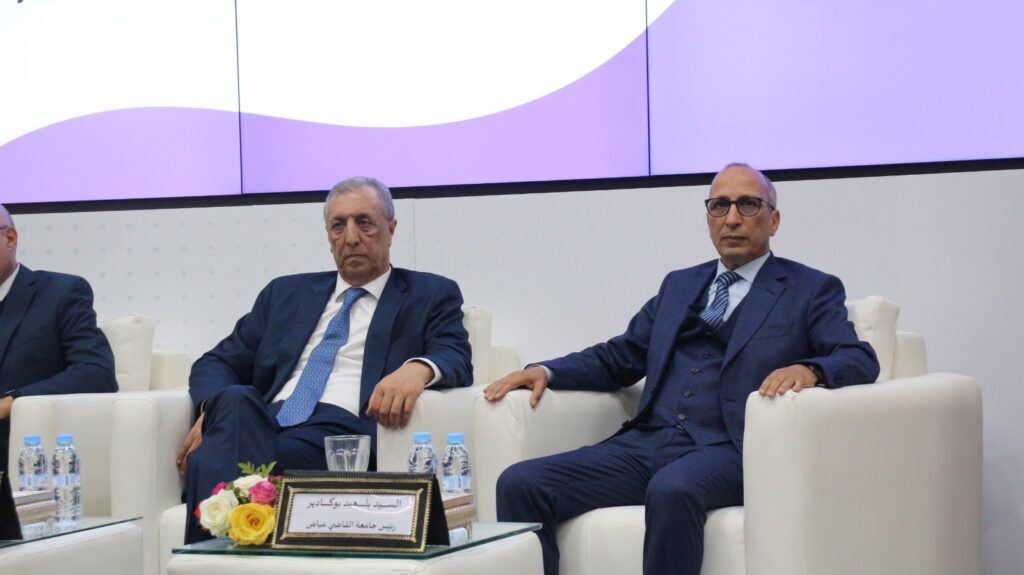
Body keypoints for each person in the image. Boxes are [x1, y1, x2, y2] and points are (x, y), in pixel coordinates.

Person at [484, 163, 880, 575]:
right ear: (708, 218)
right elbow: (621, 355)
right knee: (521, 483)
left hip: (731, 449)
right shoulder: (679, 284)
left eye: (748, 205)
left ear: (774, 219)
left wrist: (811, 370)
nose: (732, 218)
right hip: (646, 444)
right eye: (719, 206)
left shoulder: (809, 289)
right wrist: (547, 371)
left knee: (672, 488)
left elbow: (858, 358)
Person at [177, 176, 473, 543]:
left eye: (364, 222)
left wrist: (419, 368)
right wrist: (213, 412)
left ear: (391, 228)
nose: (351, 237)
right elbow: (216, 362)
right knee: (235, 399)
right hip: (266, 421)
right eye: (338, 226)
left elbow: (454, 354)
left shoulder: (429, 293)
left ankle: (206, 558)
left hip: (338, 434)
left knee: (209, 460)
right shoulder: (285, 293)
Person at [0, 204, 117, 472]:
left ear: (10, 238)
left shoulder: (60, 293)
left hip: (26, 459)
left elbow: (96, 373)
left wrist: (12, 402)